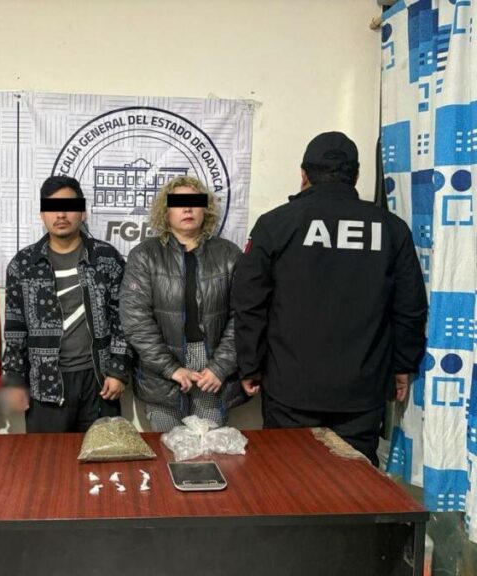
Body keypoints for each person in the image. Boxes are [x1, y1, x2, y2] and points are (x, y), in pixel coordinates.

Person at [231, 131, 428, 466]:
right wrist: (403, 364)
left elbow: (249, 301)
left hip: (290, 387)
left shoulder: (276, 224)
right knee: (352, 483)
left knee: (286, 475)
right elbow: (410, 307)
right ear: (356, 174)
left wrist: (250, 365)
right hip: (361, 388)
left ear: (304, 174)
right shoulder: (391, 228)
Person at [2, 175, 132, 432]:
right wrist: (14, 379)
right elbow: (15, 327)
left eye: (69, 207)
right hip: (45, 384)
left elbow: (123, 319)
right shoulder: (24, 264)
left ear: (82, 212)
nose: (61, 214)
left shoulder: (106, 258)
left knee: (101, 456)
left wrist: (119, 370)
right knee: (47, 457)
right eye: (52, 207)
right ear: (42, 214)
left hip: (99, 381)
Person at [119, 175, 244, 432]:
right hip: (161, 373)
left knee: (208, 447)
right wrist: (171, 368)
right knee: (169, 446)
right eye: (178, 203)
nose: (187, 208)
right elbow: (135, 320)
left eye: (194, 202)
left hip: (212, 371)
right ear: (165, 213)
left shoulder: (229, 254)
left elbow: (243, 316)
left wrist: (220, 367)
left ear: (205, 209)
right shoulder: (144, 256)